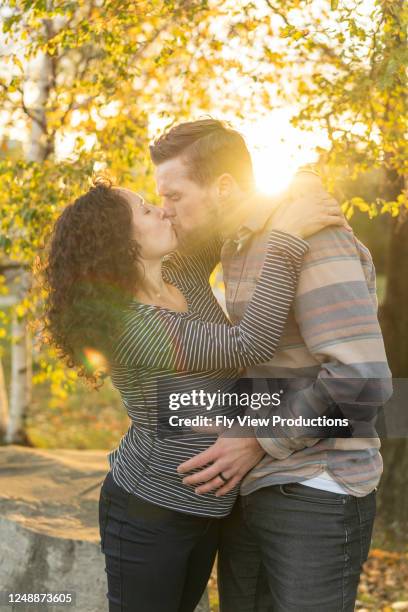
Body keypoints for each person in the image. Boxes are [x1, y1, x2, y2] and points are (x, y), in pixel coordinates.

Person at [40, 175, 343, 612]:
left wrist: (298, 187)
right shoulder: (132, 326)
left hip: (210, 510)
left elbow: (226, 215)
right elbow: (248, 344)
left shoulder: (179, 269)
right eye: (146, 209)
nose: (163, 209)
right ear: (119, 243)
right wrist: (287, 236)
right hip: (149, 514)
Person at [149, 119, 393, 611]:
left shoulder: (316, 239)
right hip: (256, 486)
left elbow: (363, 381)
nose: (164, 209)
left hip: (316, 489)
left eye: (173, 195)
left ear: (222, 187)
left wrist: (257, 438)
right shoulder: (236, 244)